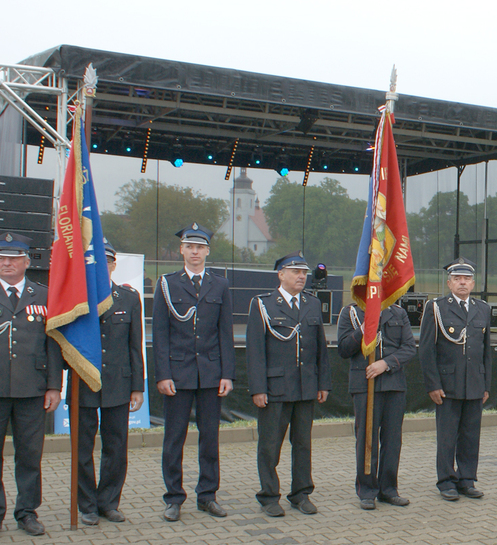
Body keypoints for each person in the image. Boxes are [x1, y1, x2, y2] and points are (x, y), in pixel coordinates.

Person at [153, 224, 234, 522]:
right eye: (190, 246)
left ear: (208, 251)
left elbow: (225, 332)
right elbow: (160, 333)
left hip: (211, 373)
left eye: (200, 247)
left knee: (209, 438)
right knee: (174, 438)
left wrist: (227, 374)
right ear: (181, 250)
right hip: (178, 373)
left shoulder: (220, 285)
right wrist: (163, 374)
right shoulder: (167, 284)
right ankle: (174, 497)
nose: (195, 252)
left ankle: (207, 495)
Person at [246, 253, 330, 517]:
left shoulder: (312, 303)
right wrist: (258, 388)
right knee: (270, 445)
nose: (301, 276)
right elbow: (255, 351)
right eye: (295, 272)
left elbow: (320, 348)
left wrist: (323, 383)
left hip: (305, 385)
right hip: (276, 387)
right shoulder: (263, 304)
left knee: (303, 444)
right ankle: (269, 495)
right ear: (280, 274)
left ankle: (301, 493)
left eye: (304, 272)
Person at [76, 240, 143, 526]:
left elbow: (135, 346)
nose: (100, 266)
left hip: (118, 382)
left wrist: (137, 387)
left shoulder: (128, 298)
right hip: (84, 382)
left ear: (114, 265)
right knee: (82, 448)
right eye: (94, 261)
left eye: (106, 261)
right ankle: (87, 505)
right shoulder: (76, 299)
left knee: (116, 447)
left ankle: (108, 502)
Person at [0, 232, 63, 536]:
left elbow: (54, 344)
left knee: (29, 455)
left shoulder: (44, 295)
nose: (6, 263)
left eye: (13, 258)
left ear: (27, 261)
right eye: (2, 258)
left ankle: (27, 512)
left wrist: (54, 386)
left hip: (32, 389)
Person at [338, 288, 417, 510]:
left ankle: (388, 490)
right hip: (364, 385)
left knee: (392, 440)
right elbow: (343, 349)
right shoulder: (351, 313)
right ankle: (367, 490)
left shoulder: (398, 313)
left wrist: (386, 363)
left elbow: (409, 348)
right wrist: (363, 330)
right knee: (366, 438)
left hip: (393, 384)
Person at [419, 258, 491, 501]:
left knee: (471, 436)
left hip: (474, 383)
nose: (462, 283)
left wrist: (486, 385)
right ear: (449, 283)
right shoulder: (436, 308)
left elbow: (486, 352)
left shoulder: (483, 309)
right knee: (447, 437)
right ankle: (446, 481)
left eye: (467, 279)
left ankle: (467, 480)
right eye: (457, 279)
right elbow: (426, 350)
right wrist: (433, 385)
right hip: (447, 385)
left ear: (473, 283)